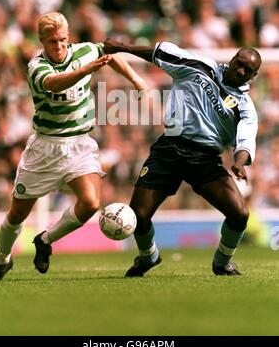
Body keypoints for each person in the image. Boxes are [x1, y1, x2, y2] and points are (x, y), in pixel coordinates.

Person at [0, 12, 148, 280]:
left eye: (62, 40)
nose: (58, 46)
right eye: (51, 42)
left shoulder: (84, 51)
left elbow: (111, 56)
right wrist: (86, 70)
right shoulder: (36, 67)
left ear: (68, 37)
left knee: (91, 202)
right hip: (45, 149)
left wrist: (136, 80)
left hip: (79, 144)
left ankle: (45, 240)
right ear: (41, 41)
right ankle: (3, 259)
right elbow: (55, 83)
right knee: (16, 214)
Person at [103, 38, 262, 276]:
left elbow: (245, 141)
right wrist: (123, 47)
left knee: (239, 214)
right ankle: (149, 257)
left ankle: (222, 262)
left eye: (247, 70)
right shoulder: (199, 66)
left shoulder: (245, 107)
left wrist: (238, 163)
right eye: (239, 63)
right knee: (139, 214)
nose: (240, 71)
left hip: (205, 159)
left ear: (253, 76)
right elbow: (159, 52)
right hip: (170, 149)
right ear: (231, 59)